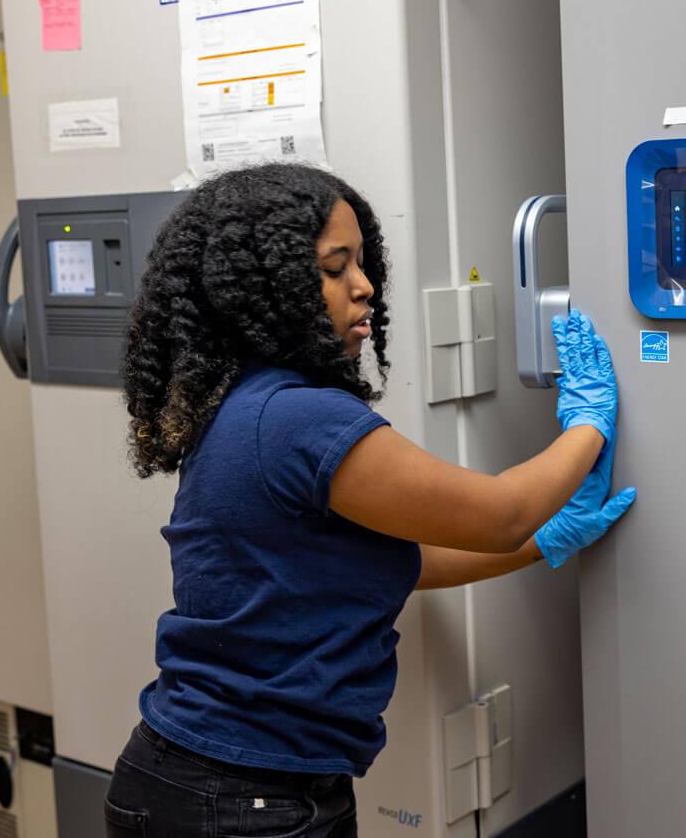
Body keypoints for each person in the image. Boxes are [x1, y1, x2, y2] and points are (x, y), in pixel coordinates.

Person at [103, 163, 634, 838]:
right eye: (335, 267)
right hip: (239, 798)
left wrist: (548, 538)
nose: (365, 286)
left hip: (214, 781)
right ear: (266, 285)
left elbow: (395, 563)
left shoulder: (249, 406)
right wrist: (591, 422)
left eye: (361, 262)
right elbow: (500, 513)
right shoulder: (298, 419)